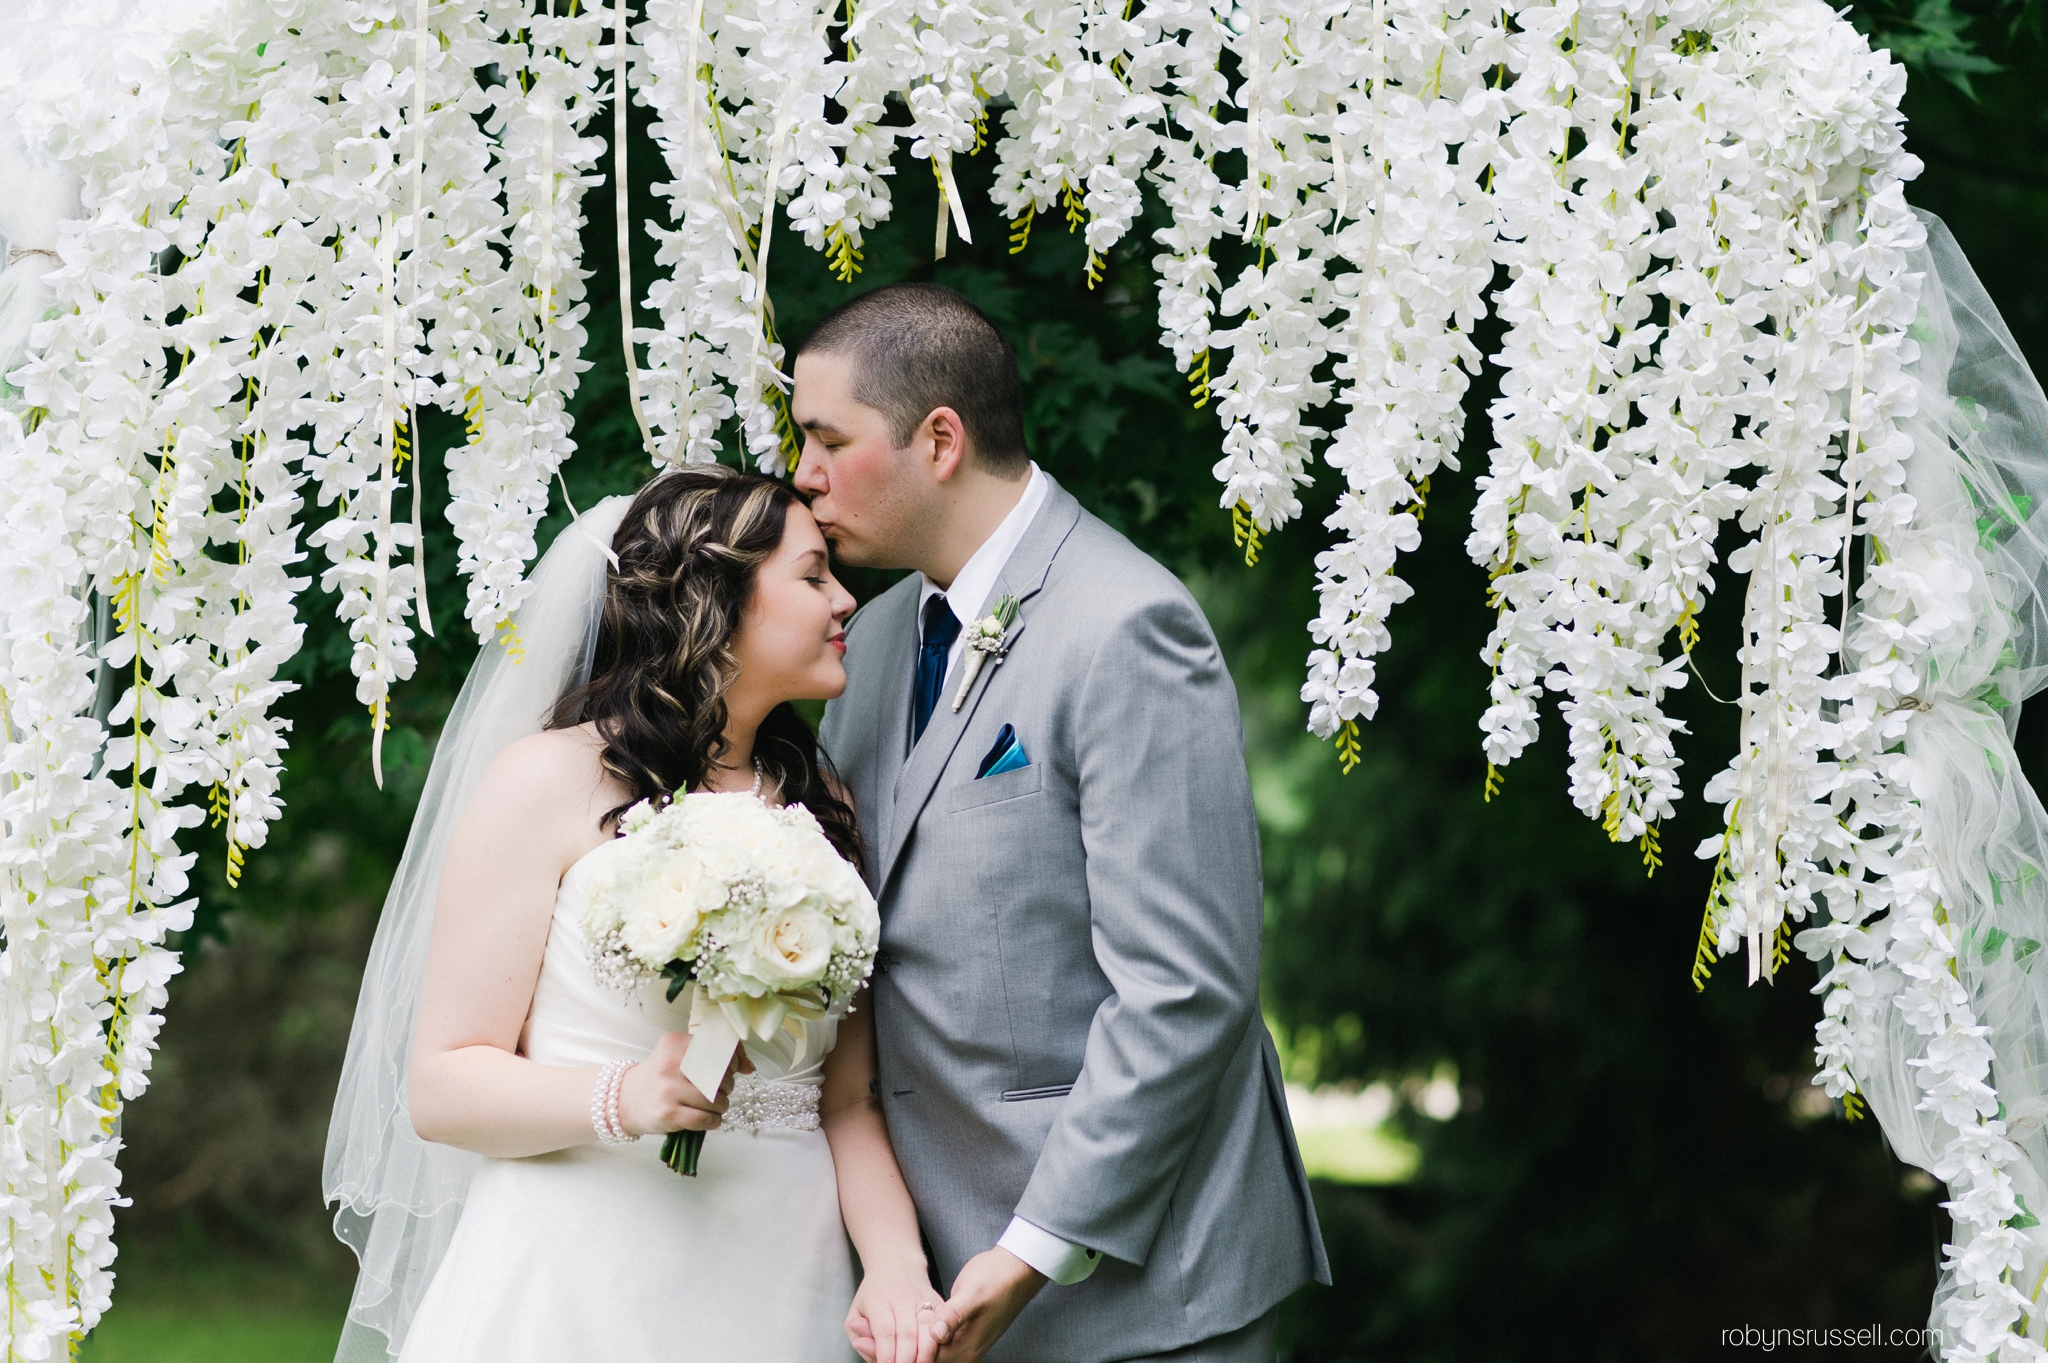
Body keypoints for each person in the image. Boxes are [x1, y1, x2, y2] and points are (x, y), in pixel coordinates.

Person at [801, 283, 1330, 1363]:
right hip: (924, 1276)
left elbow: (1184, 988)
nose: (800, 474)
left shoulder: (1126, 626)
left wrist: (1036, 1244)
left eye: (825, 439)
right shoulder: (871, 638)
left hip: (1137, 1289)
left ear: (937, 438)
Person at [323, 468, 944, 1363]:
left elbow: (846, 1101)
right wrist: (622, 1097)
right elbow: (444, 1085)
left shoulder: (820, 804)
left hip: (783, 1275)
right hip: (585, 1272)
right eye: (812, 577)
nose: (845, 599)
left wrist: (894, 1267)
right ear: (715, 597)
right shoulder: (548, 781)